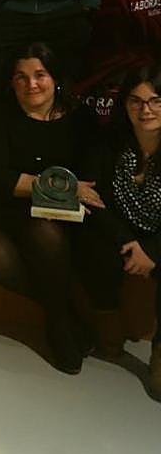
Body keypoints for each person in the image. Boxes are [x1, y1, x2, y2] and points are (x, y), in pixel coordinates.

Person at [0, 43, 105, 373]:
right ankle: (64, 313)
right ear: (11, 82)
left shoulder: (81, 119)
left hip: (61, 216)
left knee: (44, 233)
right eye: (21, 76)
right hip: (5, 209)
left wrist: (44, 187)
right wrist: (62, 185)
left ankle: (57, 327)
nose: (31, 84)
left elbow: (90, 180)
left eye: (39, 75)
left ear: (55, 79)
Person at [86, 64, 161, 399]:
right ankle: (108, 329)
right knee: (93, 242)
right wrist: (128, 241)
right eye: (136, 101)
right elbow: (97, 197)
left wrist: (152, 251)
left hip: (158, 239)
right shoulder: (110, 144)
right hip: (124, 234)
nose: (146, 110)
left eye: (156, 101)